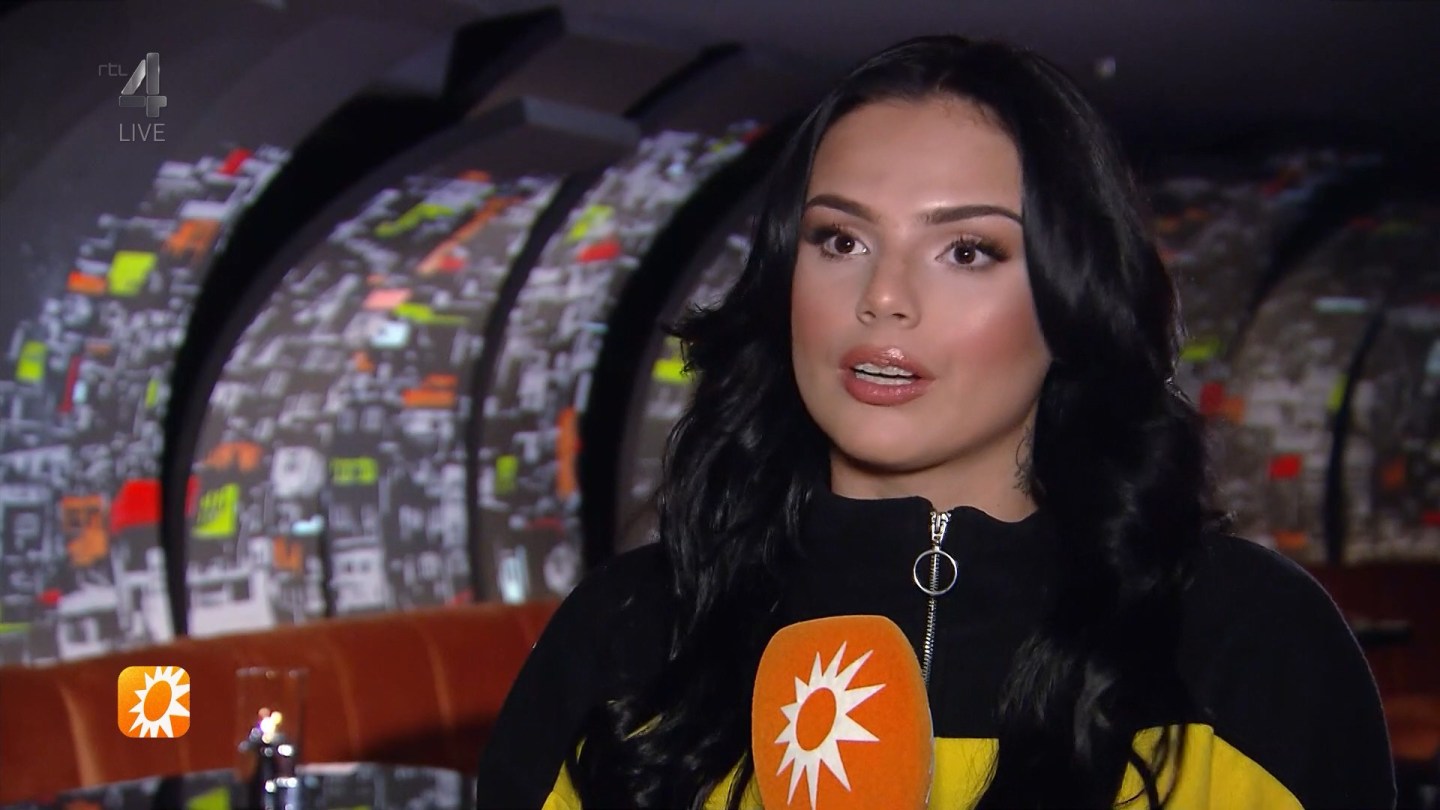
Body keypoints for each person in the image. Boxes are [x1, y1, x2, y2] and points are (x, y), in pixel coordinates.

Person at [474, 35, 1395, 809]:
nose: (883, 296)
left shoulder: (1249, 643)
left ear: (1071, 298)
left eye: (967, 250)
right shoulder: (627, 634)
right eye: (841, 239)